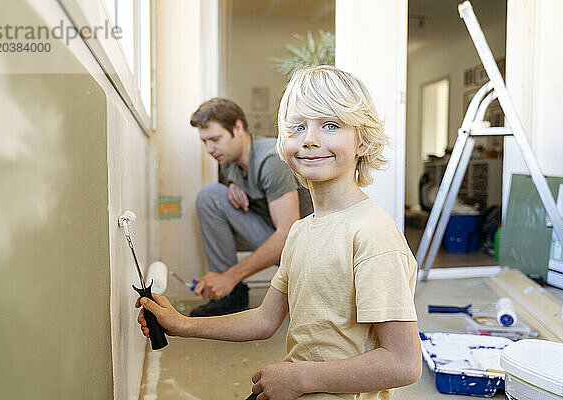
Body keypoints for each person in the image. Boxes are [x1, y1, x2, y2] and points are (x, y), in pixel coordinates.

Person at [136, 66, 422, 399]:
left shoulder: (372, 233)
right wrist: (182, 323)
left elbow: (403, 363)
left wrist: (300, 378)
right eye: (298, 127)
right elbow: (264, 319)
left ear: (363, 140)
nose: (310, 139)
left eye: (330, 125)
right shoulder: (301, 232)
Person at [189, 98, 314, 317]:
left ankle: (228, 282)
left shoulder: (271, 160)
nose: (210, 149)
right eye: (204, 141)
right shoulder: (228, 160)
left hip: (304, 248)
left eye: (215, 139)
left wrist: (231, 275)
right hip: (271, 230)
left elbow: (287, 234)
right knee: (211, 196)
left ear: (238, 128)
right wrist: (233, 185)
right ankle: (231, 297)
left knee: (211, 195)